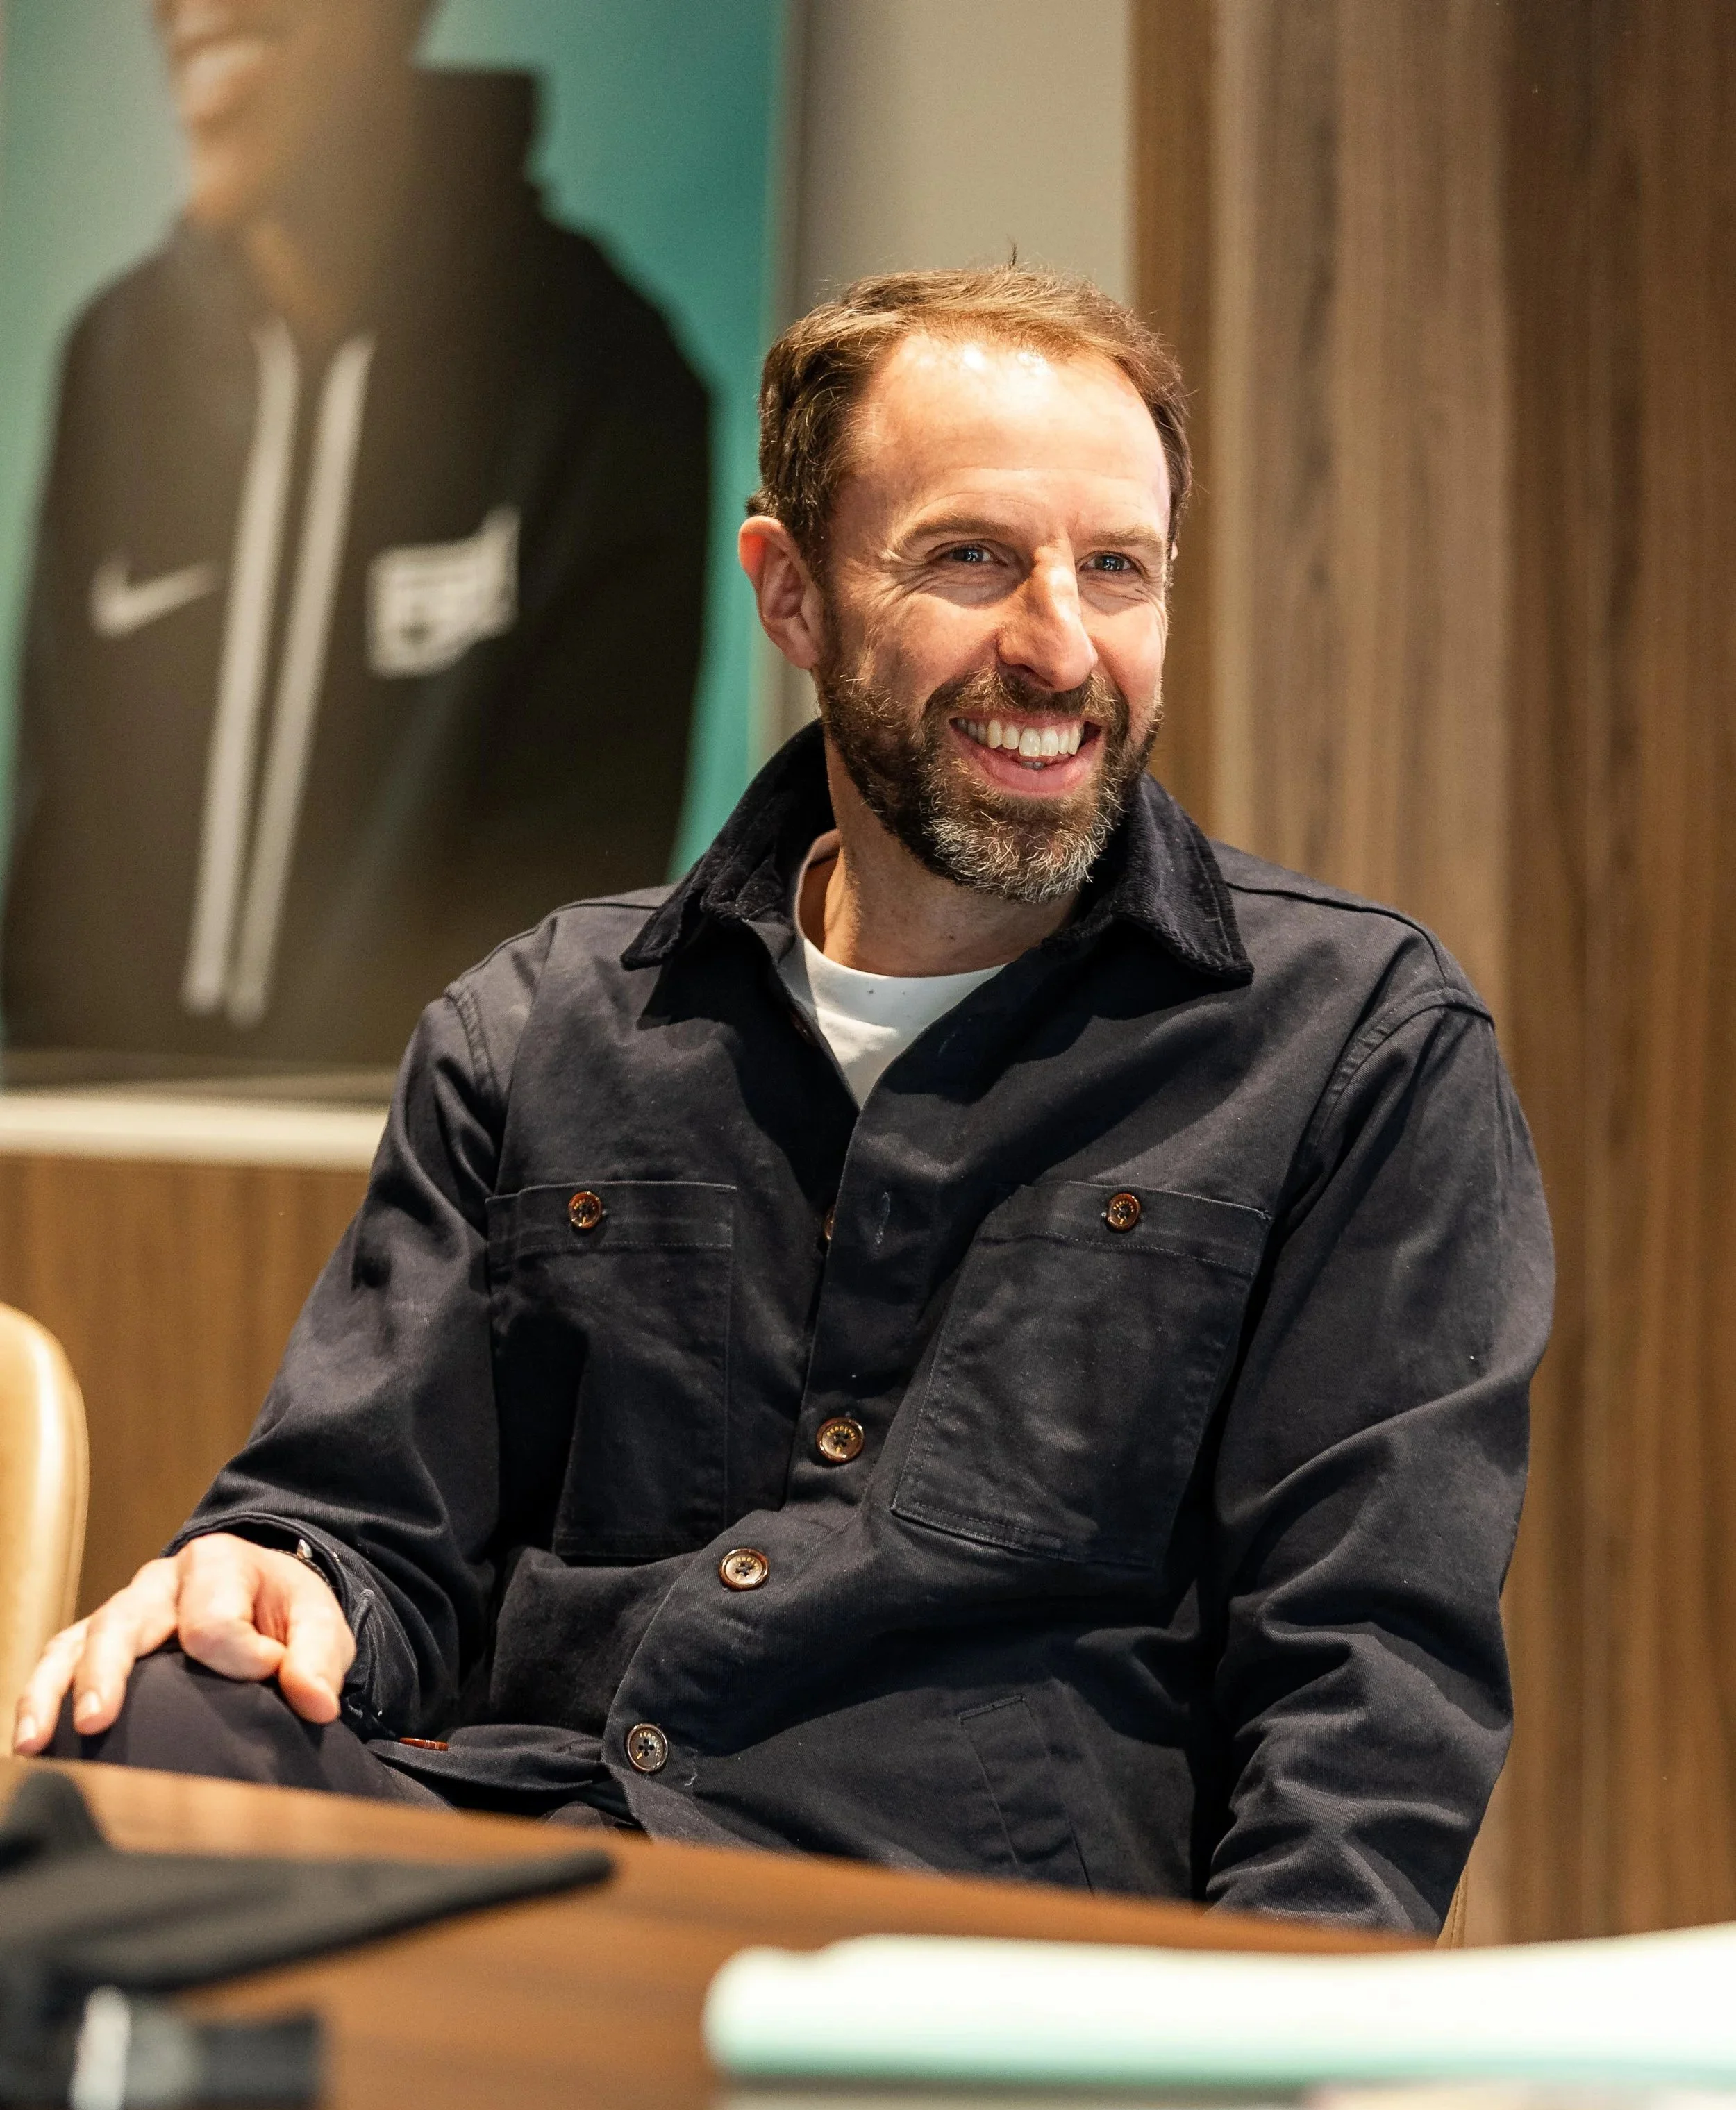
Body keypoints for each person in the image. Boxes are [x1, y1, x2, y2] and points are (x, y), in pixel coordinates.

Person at [12, 267, 1552, 1934]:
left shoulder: (1352, 1044)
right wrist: (279, 1580)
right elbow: (360, 1529)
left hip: (981, 1950)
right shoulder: (539, 1027)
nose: (1058, 644)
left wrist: (1256, 2081)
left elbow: (1364, 1679)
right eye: (972, 558)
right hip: (548, 1867)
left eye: (1116, 568)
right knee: (144, 1717)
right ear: (789, 590)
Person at [2, 0, 709, 1066]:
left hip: (431, 1186)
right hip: (97, 1185)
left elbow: (570, 912)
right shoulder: (115, 357)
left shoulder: (607, 377)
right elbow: (57, 864)